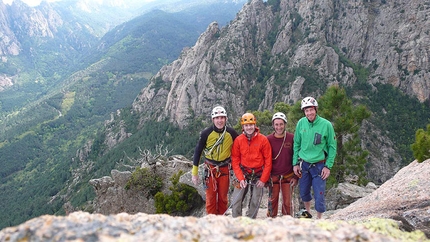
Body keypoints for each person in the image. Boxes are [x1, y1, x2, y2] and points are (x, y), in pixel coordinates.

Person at [292, 97, 337, 219]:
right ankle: (307, 213)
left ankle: (319, 218)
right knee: (304, 192)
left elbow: (332, 147)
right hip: (304, 164)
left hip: (319, 165)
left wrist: (328, 166)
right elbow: (296, 143)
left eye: (311, 110)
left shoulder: (326, 125)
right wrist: (295, 163)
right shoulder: (301, 123)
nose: (309, 113)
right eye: (306, 111)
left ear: (315, 109)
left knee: (319, 194)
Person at [191, 106, 239, 215]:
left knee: (223, 197)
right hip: (210, 169)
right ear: (213, 119)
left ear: (226, 119)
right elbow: (197, 152)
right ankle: (211, 221)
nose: (220, 121)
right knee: (210, 198)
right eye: (217, 118)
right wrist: (194, 173)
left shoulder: (231, 133)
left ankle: (221, 220)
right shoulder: (206, 133)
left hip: (224, 168)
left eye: (222, 118)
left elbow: (240, 147)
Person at [231, 112, 272, 218]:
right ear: (243, 127)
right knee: (236, 199)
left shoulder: (263, 140)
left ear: (255, 125)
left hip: (258, 173)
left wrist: (263, 180)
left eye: (251, 125)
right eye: (246, 125)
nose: (249, 127)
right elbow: (235, 160)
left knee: (255, 200)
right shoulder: (238, 140)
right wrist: (240, 178)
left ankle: (250, 221)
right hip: (243, 172)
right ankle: (236, 222)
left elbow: (268, 161)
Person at [266, 112, 298, 217]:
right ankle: (271, 222)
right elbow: (264, 158)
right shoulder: (268, 140)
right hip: (273, 177)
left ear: (285, 124)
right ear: (273, 125)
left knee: (287, 203)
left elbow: (297, 157)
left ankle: (287, 223)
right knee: (272, 202)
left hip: (288, 177)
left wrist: (296, 176)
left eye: (281, 124)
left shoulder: (291, 138)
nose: (279, 127)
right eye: (276, 124)